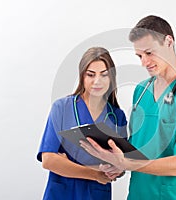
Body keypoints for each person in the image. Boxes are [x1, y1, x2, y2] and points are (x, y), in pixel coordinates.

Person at [80, 15, 176, 200]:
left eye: (149, 53)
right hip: (138, 194)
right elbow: (135, 153)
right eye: (139, 56)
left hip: (175, 195)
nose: (144, 62)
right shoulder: (141, 90)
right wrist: (117, 165)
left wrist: (127, 163)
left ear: (168, 42)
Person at [36, 47, 127, 200]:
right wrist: (95, 174)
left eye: (104, 75)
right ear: (82, 76)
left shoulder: (117, 117)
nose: (97, 81)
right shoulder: (62, 108)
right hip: (62, 193)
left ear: (111, 78)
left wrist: (118, 169)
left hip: (97, 194)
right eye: (90, 75)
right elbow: (49, 160)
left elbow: (122, 163)